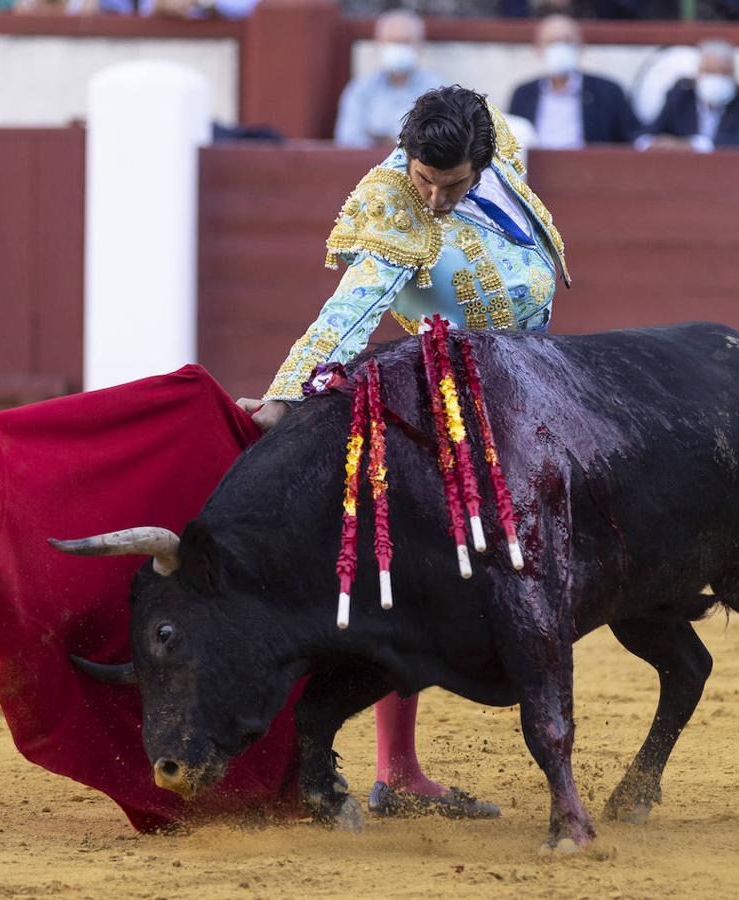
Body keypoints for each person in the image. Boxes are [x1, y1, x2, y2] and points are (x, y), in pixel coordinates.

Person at [240, 86, 568, 818]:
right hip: (441, 410)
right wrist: (286, 394)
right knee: (414, 581)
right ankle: (387, 766)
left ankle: (399, 768)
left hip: (521, 382)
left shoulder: (499, 151)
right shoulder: (392, 204)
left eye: (452, 185)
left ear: (483, 162)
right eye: (425, 180)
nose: (437, 198)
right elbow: (349, 309)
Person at [507, 14, 643, 148]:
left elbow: (633, 137)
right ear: (538, 49)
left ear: (581, 46)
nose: (559, 48)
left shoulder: (608, 91)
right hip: (536, 169)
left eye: (567, 41)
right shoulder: (523, 95)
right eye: (551, 42)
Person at [334, 11, 444, 150]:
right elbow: (347, 141)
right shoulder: (360, 89)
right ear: (378, 43)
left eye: (405, 41)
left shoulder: (436, 89)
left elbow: (440, 141)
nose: (398, 48)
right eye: (392, 41)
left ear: (420, 45)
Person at [645, 40, 739, 152]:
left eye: (723, 72)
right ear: (698, 73)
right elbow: (648, 135)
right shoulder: (679, 98)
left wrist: (694, 145)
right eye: (710, 71)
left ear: (734, 75)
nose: (716, 78)